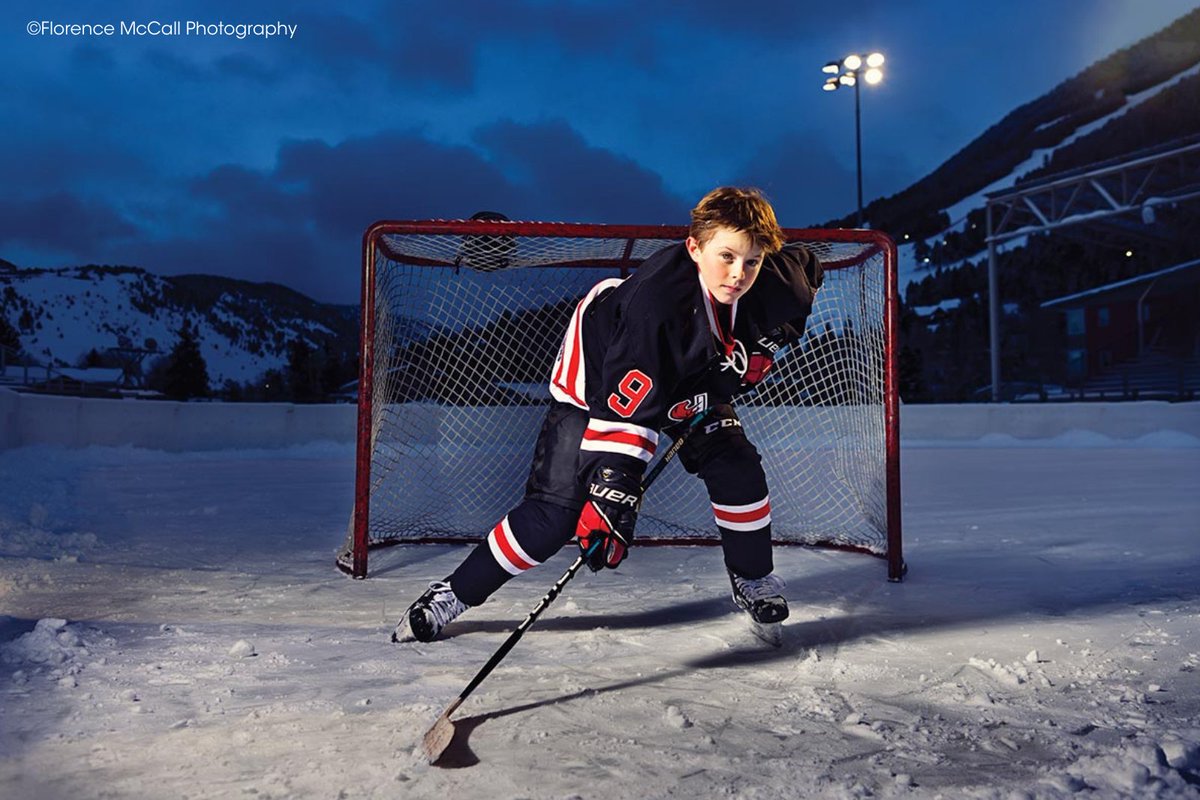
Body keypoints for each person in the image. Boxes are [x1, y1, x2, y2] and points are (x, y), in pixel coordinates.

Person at [392, 186, 824, 643]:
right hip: (600, 379)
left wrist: (763, 345)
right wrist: (611, 494)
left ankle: (753, 579)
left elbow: (805, 271)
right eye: (726, 256)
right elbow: (627, 416)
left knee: (737, 467)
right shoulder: (653, 308)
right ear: (694, 248)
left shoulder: (775, 281)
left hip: (689, 378)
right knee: (553, 517)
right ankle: (454, 593)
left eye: (751, 261)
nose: (738, 274)